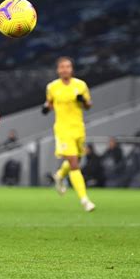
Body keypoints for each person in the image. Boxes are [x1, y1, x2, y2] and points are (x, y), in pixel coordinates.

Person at [42, 56, 96, 212]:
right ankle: (85, 200)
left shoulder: (80, 85)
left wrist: (83, 101)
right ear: (58, 70)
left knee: (78, 158)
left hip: (78, 128)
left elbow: (88, 105)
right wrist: (45, 108)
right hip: (63, 129)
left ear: (71, 69)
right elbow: (50, 103)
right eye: (62, 67)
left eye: (68, 66)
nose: (65, 69)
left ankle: (59, 175)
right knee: (74, 163)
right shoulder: (52, 87)